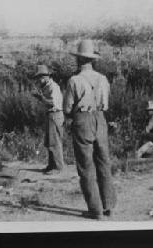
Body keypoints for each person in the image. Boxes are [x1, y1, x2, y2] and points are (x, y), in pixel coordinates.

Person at [63, 40, 116, 220]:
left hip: (82, 121)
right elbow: (106, 102)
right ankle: (108, 205)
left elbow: (67, 108)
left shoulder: (74, 80)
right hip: (100, 118)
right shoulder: (103, 79)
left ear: (79, 60)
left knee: (86, 166)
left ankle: (95, 210)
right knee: (104, 162)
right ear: (92, 60)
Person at [31, 64, 65, 174]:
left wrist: (41, 98)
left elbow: (52, 103)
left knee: (55, 142)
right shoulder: (47, 86)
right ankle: (51, 165)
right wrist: (41, 98)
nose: (38, 81)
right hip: (51, 115)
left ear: (44, 77)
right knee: (50, 142)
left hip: (55, 114)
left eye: (39, 78)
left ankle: (57, 167)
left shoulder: (53, 87)